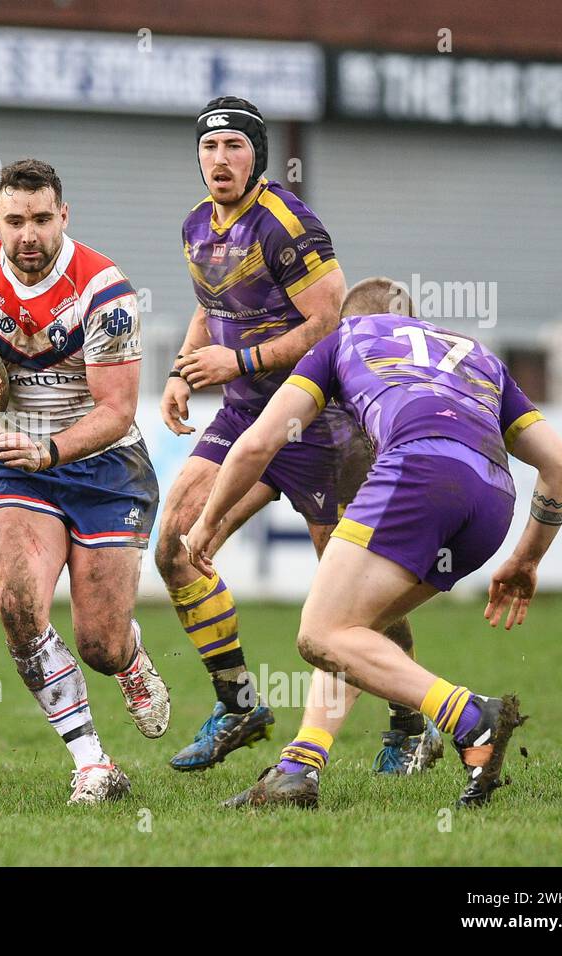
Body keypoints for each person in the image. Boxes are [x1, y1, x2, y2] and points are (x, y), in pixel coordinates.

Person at [185, 277, 562, 808]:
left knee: (318, 633)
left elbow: (258, 443)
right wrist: (526, 560)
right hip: (493, 501)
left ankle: (468, 717)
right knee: (353, 629)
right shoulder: (477, 356)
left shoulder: (343, 339)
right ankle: (298, 768)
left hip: (418, 471)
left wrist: (209, 522)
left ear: (351, 317)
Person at [155, 96, 438, 776]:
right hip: (241, 417)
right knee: (174, 547)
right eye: (210, 147)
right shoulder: (197, 224)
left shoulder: (287, 223)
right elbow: (210, 307)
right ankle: (239, 703)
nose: (220, 160)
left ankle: (411, 720)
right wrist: (181, 372)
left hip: (319, 425)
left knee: (351, 597)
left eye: (234, 147)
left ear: (257, 154)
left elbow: (330, 325)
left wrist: (238, 362)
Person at [0, 158, 166, 805]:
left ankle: (128, 660)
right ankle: (92, 764)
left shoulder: (103, 292)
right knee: (17, 605)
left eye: (42, 219)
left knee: (98, 643)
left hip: (104, 468)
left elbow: (116, 410)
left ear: (63, 217)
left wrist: (51, 448)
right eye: (15, 220)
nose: (29, 234)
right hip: (20, 470)